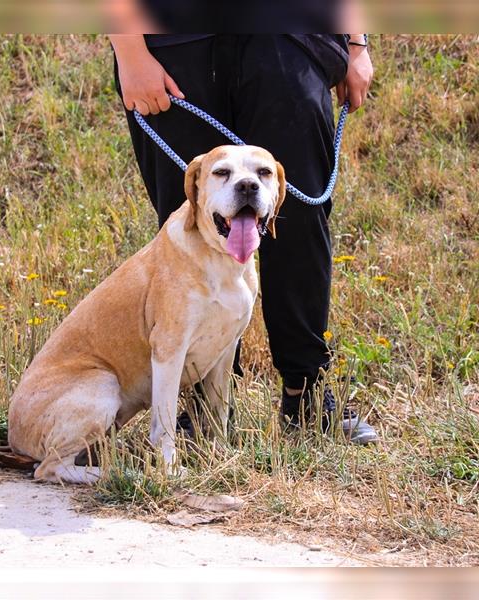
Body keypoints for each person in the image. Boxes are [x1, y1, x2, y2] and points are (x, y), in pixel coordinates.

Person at [109, 34, 378, 444]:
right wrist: (130, 51)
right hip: (174, 43)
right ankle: (205, 409)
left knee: (300, 219)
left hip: (290, 33)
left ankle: (305, 394)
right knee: (195, 220)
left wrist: (356, 43)